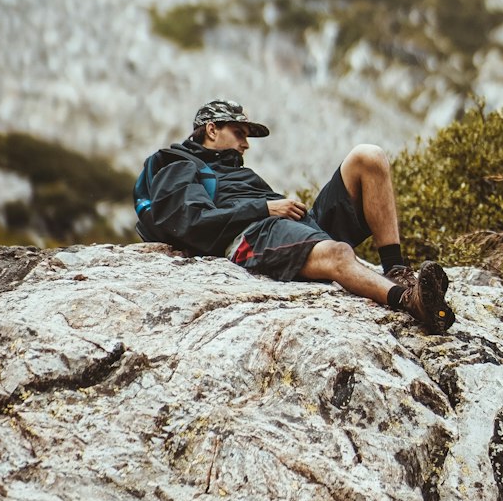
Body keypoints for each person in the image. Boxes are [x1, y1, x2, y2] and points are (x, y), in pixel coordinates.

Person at [135, 97, 455, 334]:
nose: (246, 144)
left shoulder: (232, 170)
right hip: (254, 236)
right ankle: (410, 300)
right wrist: (265, 208)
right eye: (239, 133)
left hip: (295, 227)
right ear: (211, 129)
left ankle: (396, 269)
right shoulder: (178, 164)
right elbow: (188, 221)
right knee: (338, 253)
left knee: (368, 158)